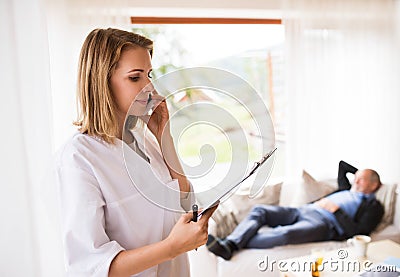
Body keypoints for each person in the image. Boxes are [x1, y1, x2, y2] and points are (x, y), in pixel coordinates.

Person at [55, 28, 217, 277]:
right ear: (102, 82)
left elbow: (184, 204)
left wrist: (165, 138)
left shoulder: (145, 141)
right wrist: (171, 248)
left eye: (149, 75)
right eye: (135, 77)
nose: (149, 87)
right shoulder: (79, 158)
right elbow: (90, 267)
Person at [207, 160, 384, 260]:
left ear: (374, 184)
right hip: (303, 210)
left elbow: (360, 232)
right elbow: (342, 165)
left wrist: (335, 210)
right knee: (261, 210)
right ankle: (231, 243)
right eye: (357, 177)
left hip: (324, 224)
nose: (356, 181)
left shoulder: (374, 206)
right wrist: (362, 173)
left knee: (285, 234)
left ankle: (230, 243)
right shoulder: (346, 188)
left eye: (362, 180)